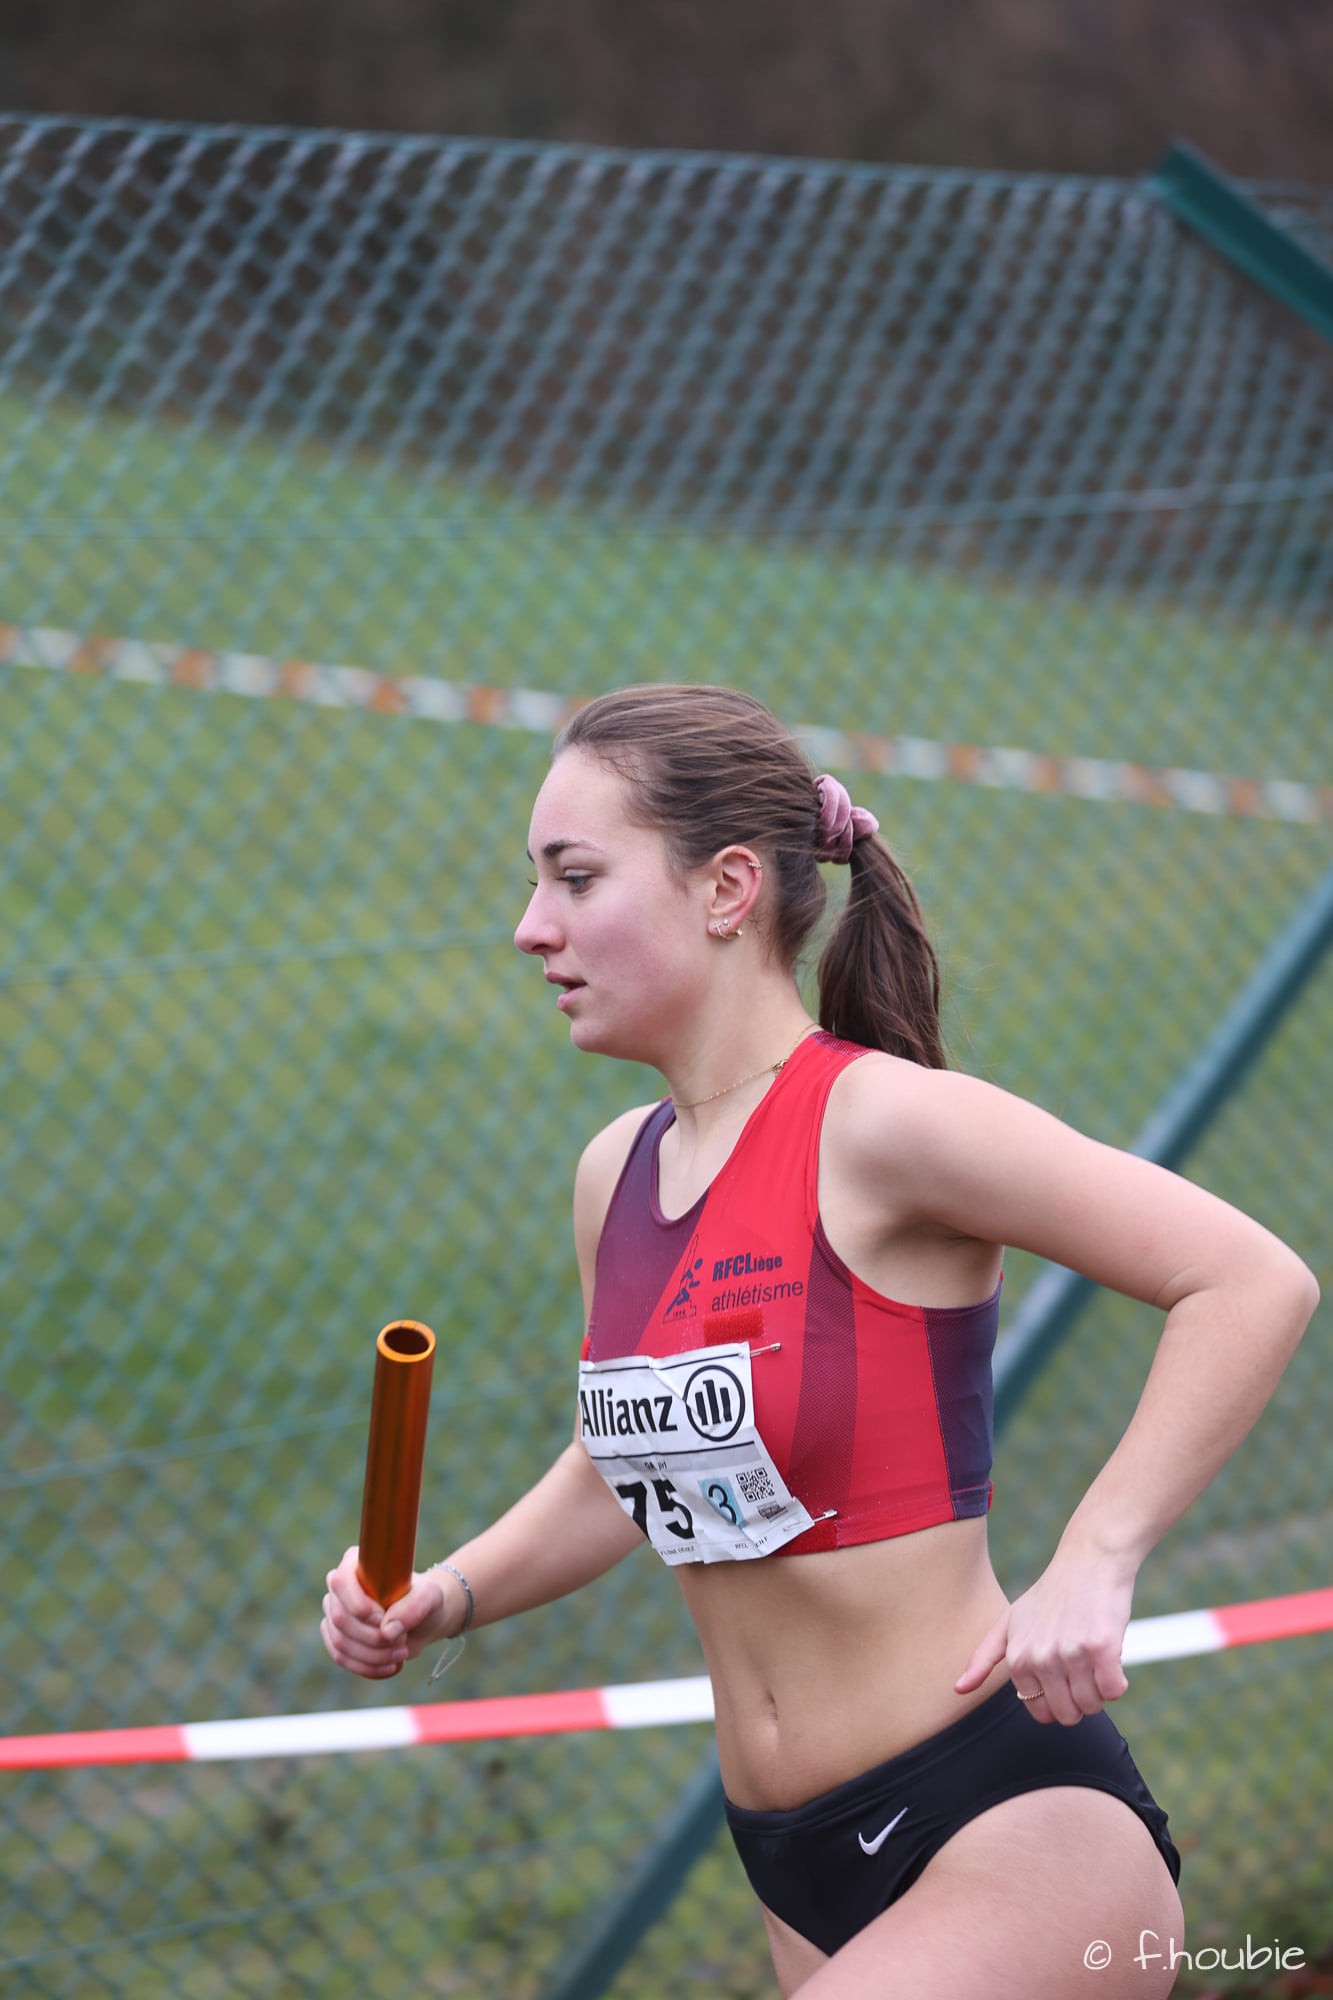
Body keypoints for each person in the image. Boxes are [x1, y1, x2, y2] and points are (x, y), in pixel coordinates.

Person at [321, 685, 1317, 1999]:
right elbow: (616, 1469)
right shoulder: (613, 1173)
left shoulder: (881, 1125)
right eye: (533, 882)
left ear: (726, 888)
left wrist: (1097, 1555)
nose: (530, 928)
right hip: (790, 1854)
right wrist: (446, 1592)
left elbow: (1249, 1278)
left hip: (1003, 1824)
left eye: (573, 877)